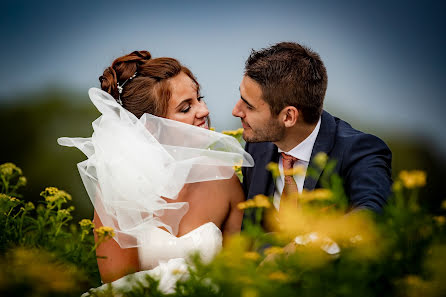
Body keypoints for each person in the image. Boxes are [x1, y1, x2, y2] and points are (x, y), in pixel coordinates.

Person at [58, 50, 254, 293]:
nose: (203, 111)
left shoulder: (225, 180)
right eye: (185, 108)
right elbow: (118, 287)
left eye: (199, 99)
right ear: (150, 127)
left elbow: (240, 275)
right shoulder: (118, 189)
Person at [232, 42, 392, 227]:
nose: (236, 111)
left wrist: (304, 246)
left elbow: (373, 213)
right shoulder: (257, 145)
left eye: (249, 106)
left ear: (289, 116)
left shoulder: (360, 151)